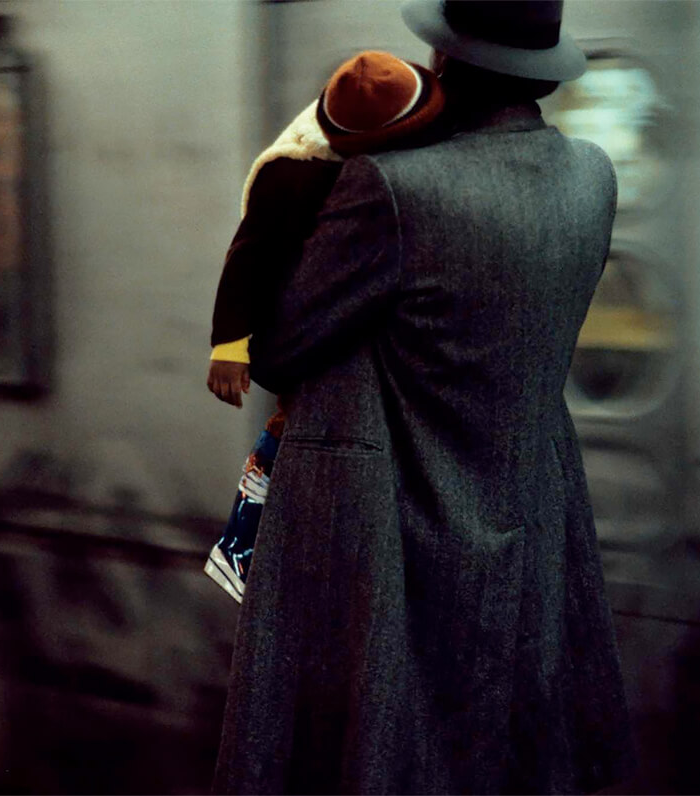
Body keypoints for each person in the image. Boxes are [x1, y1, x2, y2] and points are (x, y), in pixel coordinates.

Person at [212, 1, 636, 792]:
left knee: (378, 751)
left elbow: (282, 349)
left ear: (444, 64)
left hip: (394, 533)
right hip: (535, 522)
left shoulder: (392, 188)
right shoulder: (593, 178)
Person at [204, 51, 446, 603]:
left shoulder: (397, 118)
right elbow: (249, 255)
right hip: (301, 313)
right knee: (287, 426)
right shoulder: (293, 171)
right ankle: (248, 548)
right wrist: (231, 345)